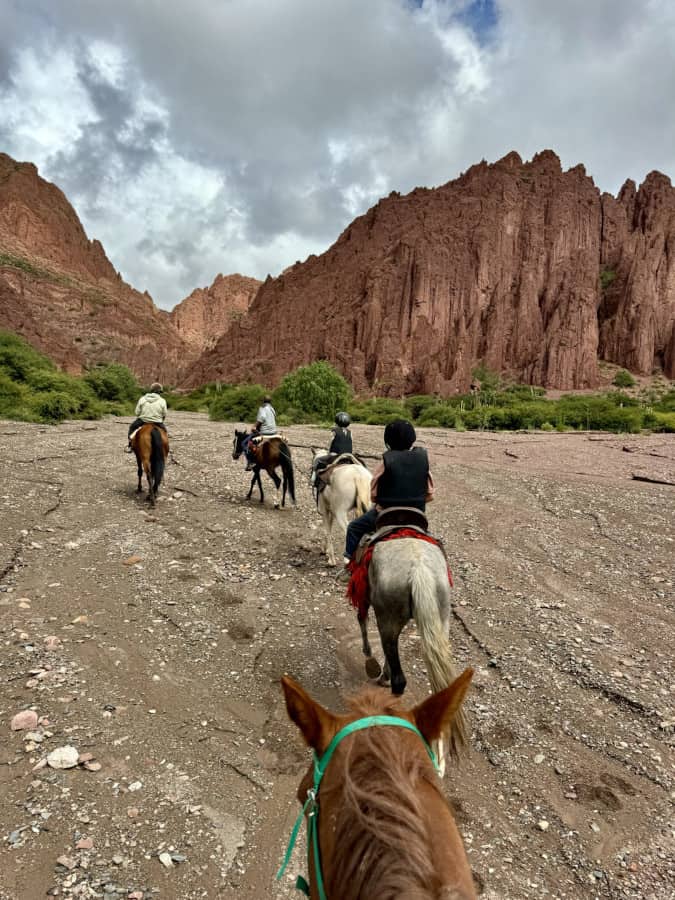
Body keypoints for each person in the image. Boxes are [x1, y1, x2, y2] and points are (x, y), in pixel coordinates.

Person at [341, 418, 433, 568]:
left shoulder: (386, 461)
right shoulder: (423, 460)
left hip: (385, 514)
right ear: (412, 439)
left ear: (388, 440)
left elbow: (373, 494)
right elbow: (430, 494)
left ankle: (349, 567)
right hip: (416, 515)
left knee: (354, 527)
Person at [311, 412, 353, 486]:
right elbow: (351, 442)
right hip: (348, 456)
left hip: (335, 455)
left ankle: (313, 478)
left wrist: (328, 451)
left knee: (317, 459)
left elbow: (331, 441)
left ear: (337, 422)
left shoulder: (335, 430)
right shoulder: (350, 432)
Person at [126, 382, 168, 451]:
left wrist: (143, 415)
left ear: (151, 390)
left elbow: (137, 412)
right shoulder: (162, 400)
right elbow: (164, 414)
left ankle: (130, 445)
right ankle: (165, 448)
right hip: (157, 422)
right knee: (165, 432)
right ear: (160, 392)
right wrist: (161, 420)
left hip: (143, 420)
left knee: (132, 427)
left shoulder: (142, 399)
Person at [243, 396, 277, 470]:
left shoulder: (262, 409)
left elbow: (261, 418)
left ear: (263, 401)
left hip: (265, 432)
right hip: (274, 432)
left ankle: (251, 462)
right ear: (270, 402)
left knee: (245, 443)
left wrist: (254, 426)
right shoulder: (272, 409)